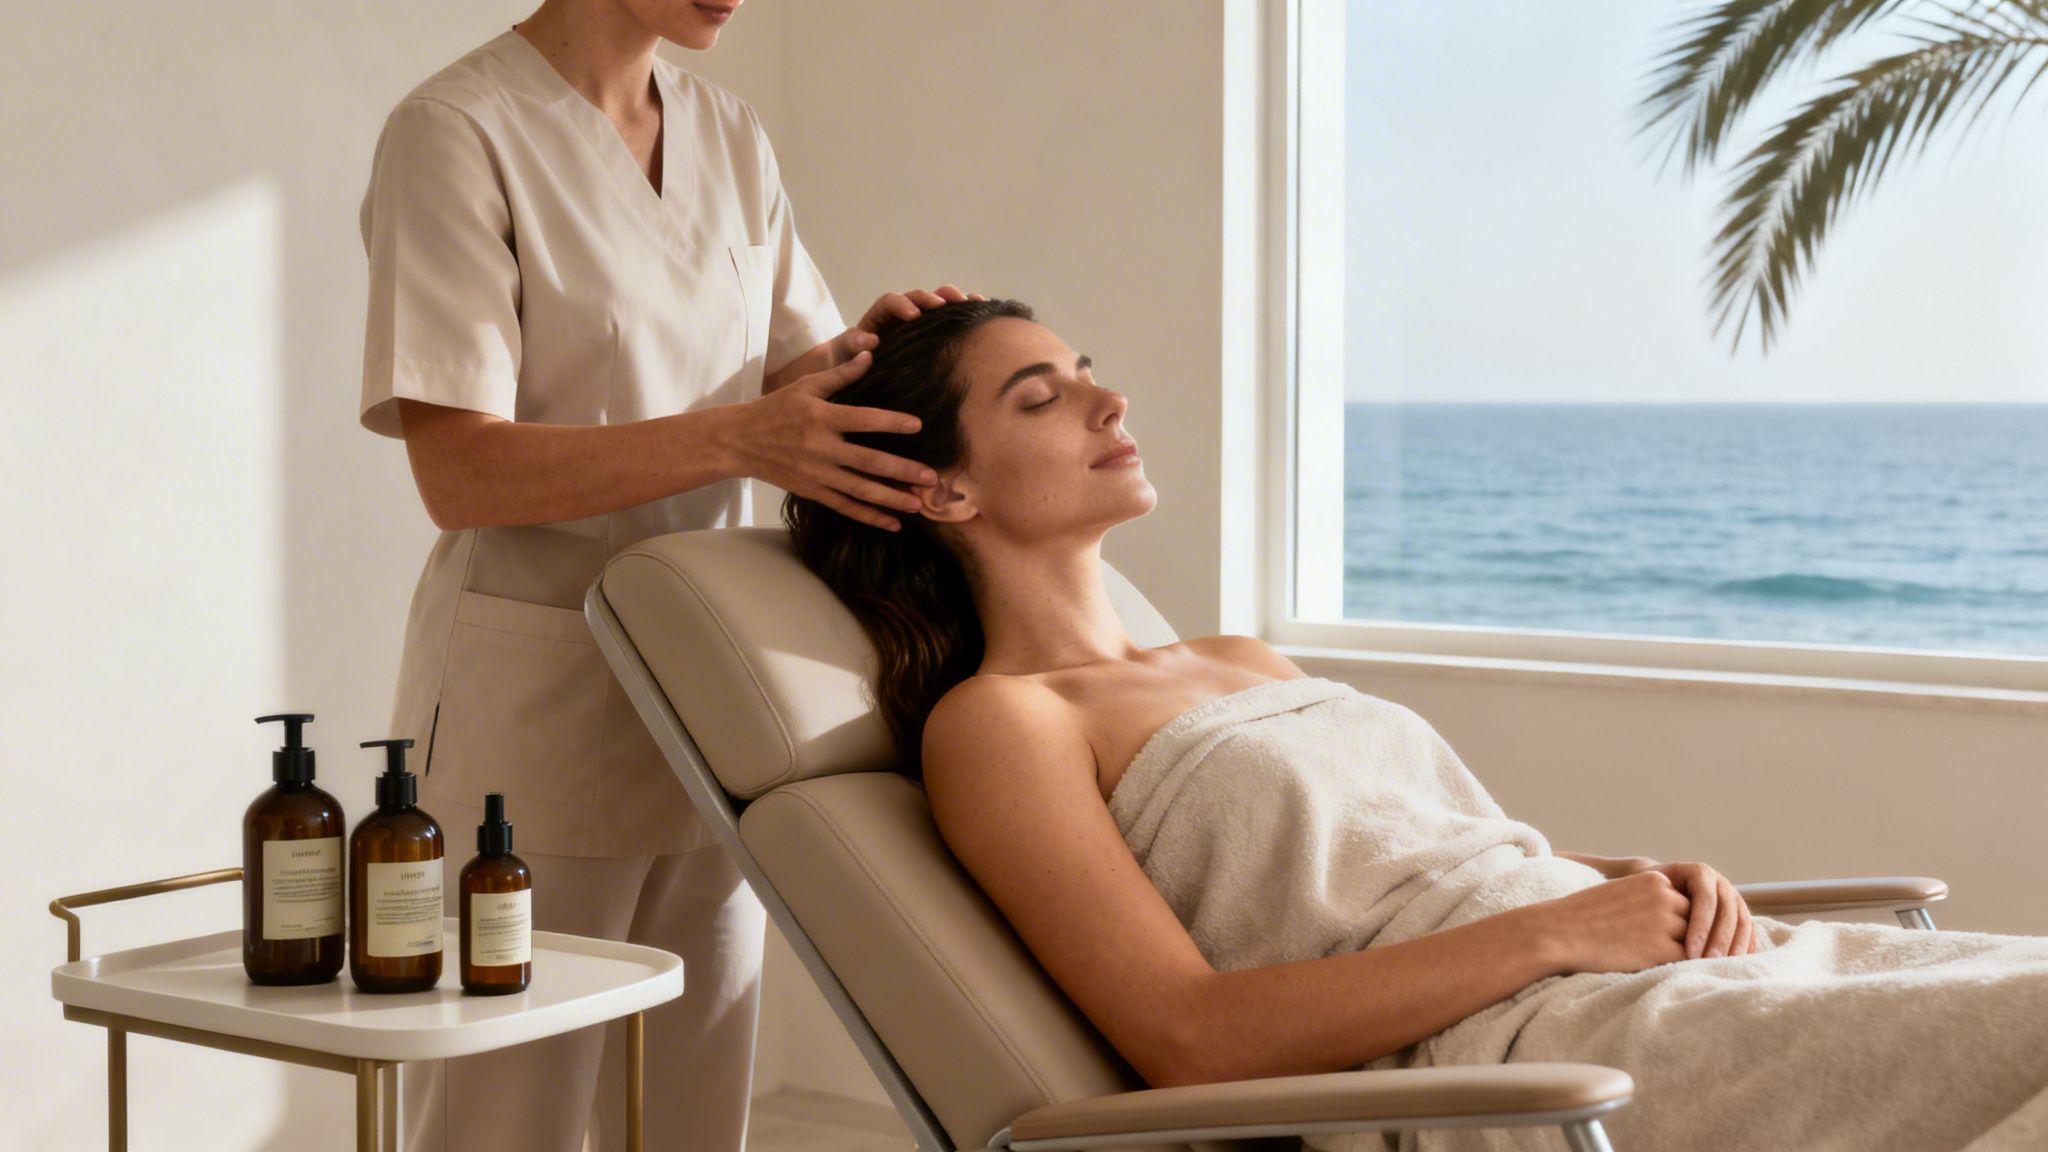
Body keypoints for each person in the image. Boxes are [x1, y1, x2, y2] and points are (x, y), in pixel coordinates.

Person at [782, 299, 2048, 1151]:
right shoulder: (1002, 724)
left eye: (1089, 378)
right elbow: (1187, 1039)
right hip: (1525, 1055)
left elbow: (1412, 863)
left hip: (1671, 966)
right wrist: (1561, 929)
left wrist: (1636, 884)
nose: (1108, 408)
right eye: (1040, 399)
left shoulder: (1231, 656)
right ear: (938, 483)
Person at [358, 2, 965, 1148]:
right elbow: (461, 472)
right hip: (538, 712)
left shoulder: (728, 134)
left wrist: (872, 358)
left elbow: (789, 389)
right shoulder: (456, 130)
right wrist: (739, 439)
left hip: (712, 705)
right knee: (509, 1113)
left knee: (688, 1108)